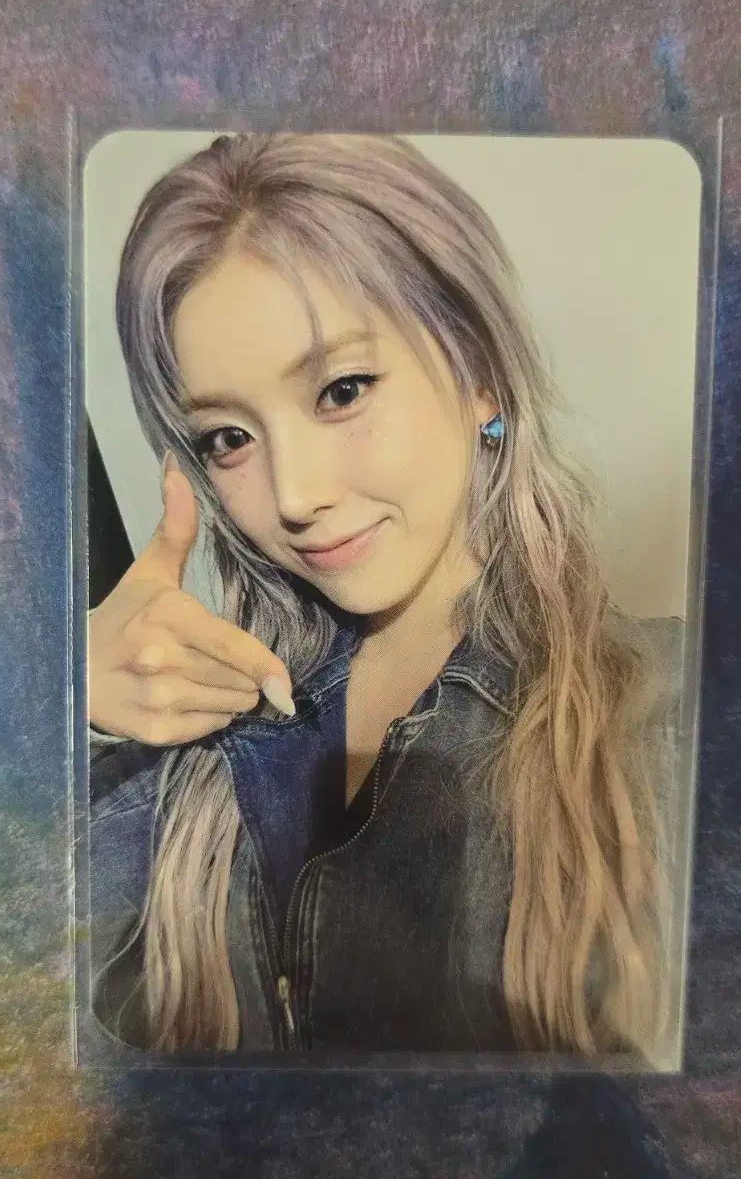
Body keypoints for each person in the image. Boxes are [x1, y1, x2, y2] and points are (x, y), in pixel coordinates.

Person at [86, 132, 685, 1060]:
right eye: (228, 438)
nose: (293, 496)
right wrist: (53, 694)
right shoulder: (193, 737)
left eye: (342, 390)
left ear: (479, 372)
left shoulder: (673, 728)